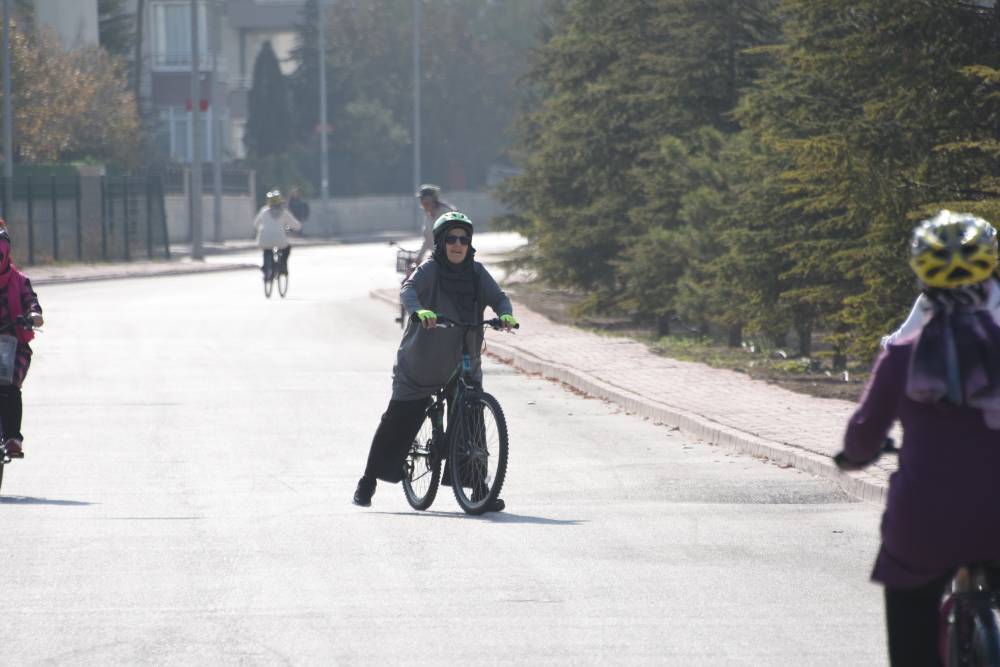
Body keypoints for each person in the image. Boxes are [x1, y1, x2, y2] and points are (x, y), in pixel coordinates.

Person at [834, 210, 1000, 667]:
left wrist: (852, 457)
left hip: (926, 523)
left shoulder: (904, 356)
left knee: (911, 625)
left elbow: (865, 434)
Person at [353, 211, 517, 511]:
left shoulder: (477, 273)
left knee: (472, 421)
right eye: (451, 239)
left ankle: (479, 488)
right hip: (421, 364)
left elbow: (499, 297)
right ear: (441, 243)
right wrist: (419, 311)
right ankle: (368, 481)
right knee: (397, 420)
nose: (458, 245)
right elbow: (409, 290)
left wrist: (505, 314)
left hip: (463, 361)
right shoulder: (430, 270)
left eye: (464, 240)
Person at [0, 225, 43, 457]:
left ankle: (13, 439)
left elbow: (32, 303)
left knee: (9, 386)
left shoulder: (20, 281)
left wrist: (33, 316)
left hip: (13, 347)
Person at [254, 190, 302, 279]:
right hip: (280, 240)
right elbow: (295, 225)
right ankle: (282, 267)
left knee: (266, 249)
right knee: (286, 249)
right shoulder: (284, 212)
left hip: (264, 238)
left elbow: (256, 223)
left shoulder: (264, 211)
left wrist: (260, 230)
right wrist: (298, 227)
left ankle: (266, 268)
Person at [415, 184, 455, 264]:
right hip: (438, 258)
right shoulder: (428, 216)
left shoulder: (446, 213)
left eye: (425, 198)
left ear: (433, 199)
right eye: (421, 199)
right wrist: (419, 258)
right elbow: (427, 240)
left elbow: (452, 237)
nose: (422, 201)